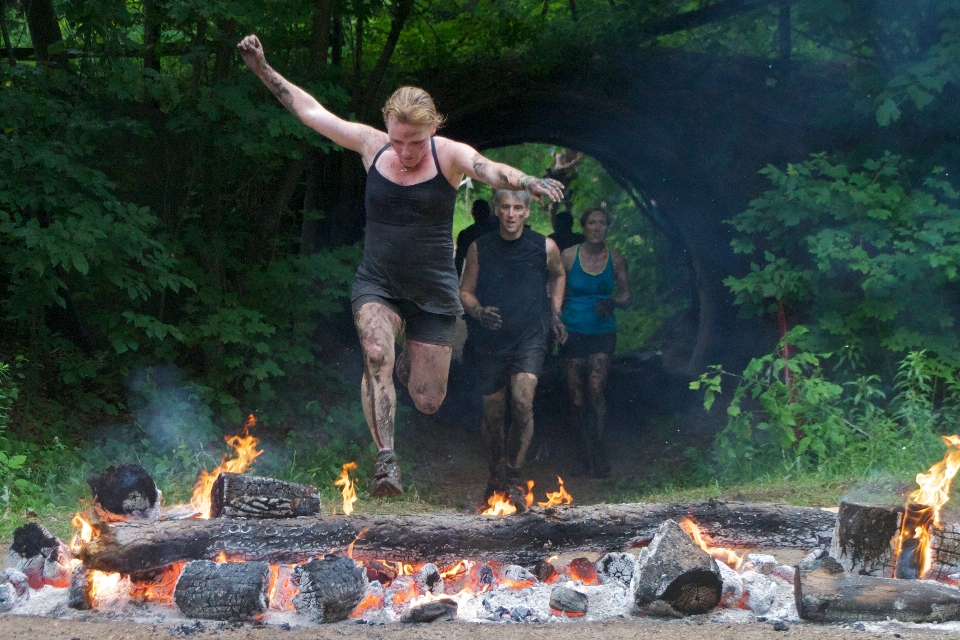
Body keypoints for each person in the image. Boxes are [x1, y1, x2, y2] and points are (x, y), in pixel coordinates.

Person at [237, 35, 565, 497]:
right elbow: (313, 114)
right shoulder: (372, 147)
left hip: (433, 293)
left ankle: (407, 354)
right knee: (375, 355)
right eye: (398, 140)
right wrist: (263, 69)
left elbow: (488, 168)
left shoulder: (447, 154)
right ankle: (386, 461)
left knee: (429, 401)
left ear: (431, 130)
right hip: (380, 282)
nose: (406, 152)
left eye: (414, 142)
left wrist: (527, 180)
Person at [459, 190, 567, 505]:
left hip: (529, 337)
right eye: (505, 207)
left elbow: (559, 275)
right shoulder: (480, 247)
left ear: (527, 213)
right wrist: (478, 312)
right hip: (490, 339)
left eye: (517, 208)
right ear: (496, 210)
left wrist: (555, 312)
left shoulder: (545, 247)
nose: (510, 213)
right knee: (493, 413)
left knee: (522, 403)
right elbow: (465, 291)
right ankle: (495, 471)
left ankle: (516, 475)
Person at [559, 207, 630, 478]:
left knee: (596, 388)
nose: (597, 228)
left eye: (602, 223)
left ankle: (597, 449)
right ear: (583, 227)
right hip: (573, 329)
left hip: (602, 330)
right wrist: (556, 322)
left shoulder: (616, 259)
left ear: (607, 227)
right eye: (592, 223)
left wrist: (613, 302)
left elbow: (627, 296)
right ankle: (581, 452)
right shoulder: (568, 257)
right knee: (576, 395)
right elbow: (554, 292)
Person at [455, 200, 497, 276]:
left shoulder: (465, 234)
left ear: (473, 214)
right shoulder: (499, 230)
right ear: (489, 212)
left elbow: (458, 261)